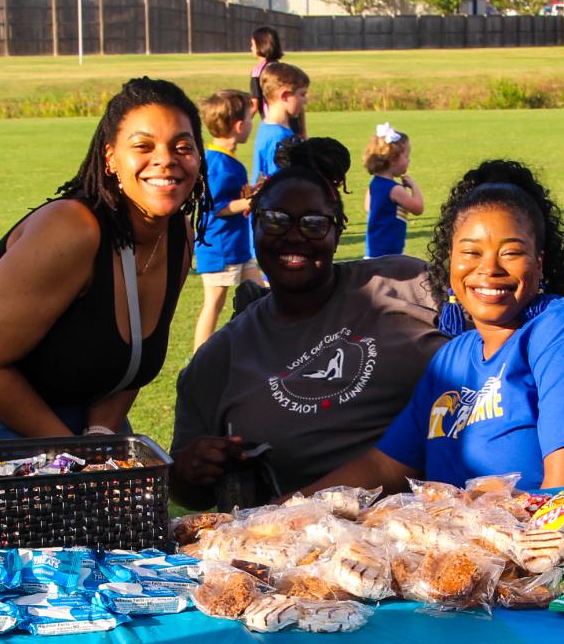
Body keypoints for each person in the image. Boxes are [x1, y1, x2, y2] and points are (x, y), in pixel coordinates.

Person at [308, 160, 564, 492]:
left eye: (511, 252)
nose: (489, 268)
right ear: (450, 263)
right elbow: (384, 466)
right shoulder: (453, 359)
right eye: (471, 252)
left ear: (539, 264)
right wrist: (282, 511)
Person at [0, 77, 206, 443]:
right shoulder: (72, 229)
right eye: (143, 146)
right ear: (110, 158)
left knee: (118, 487)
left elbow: (132, 363)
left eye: (182, 147)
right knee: (61, 494)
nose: (166, 160)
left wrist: (99, 434)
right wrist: (76, 459)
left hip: (38, 383)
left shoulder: (176, 236)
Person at [172, 137, 448, 509]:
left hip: (444, 528)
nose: (294, 236)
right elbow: (187, 491)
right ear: (253, 226)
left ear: (338, 230)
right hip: (297, 550)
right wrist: (190, 470)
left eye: (314, 224)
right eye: (275, 220)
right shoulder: (217, 361)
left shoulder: (407, 284)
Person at [191, 89, 263, 352]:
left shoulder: (228, 160)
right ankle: (200, 357)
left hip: (237, 247)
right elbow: (217, 206)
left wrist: (254, 190)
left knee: (259, 296)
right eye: (250, 119)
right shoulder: (217, 163)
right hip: (220, 249)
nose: (252, 126)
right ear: (239, 125)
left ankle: (256, 346)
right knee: (214, 303)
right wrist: (250, 202)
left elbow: (233, 196)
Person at [363, 122, 424, 257]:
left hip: (373, 251)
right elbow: (418, 208)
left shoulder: (374, 184)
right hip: (389, 254)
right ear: (393, 159)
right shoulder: (395, 190)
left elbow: (368, 207)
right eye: (406, 156)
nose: (409, 161)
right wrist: (414, 186)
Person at [251, 60, 308, 182]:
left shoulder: (266, 127)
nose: (305, 100)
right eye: (302, 94)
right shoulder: (278, 136)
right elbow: (280, 185)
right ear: (285, 96)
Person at [249, 25, 283, 120]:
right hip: (289, 122)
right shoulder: (285, 69)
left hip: (270, 121)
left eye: (253, 44)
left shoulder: (257, 71)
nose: (251, 48)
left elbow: (255, 104)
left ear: (261, 45)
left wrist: (240, 126)